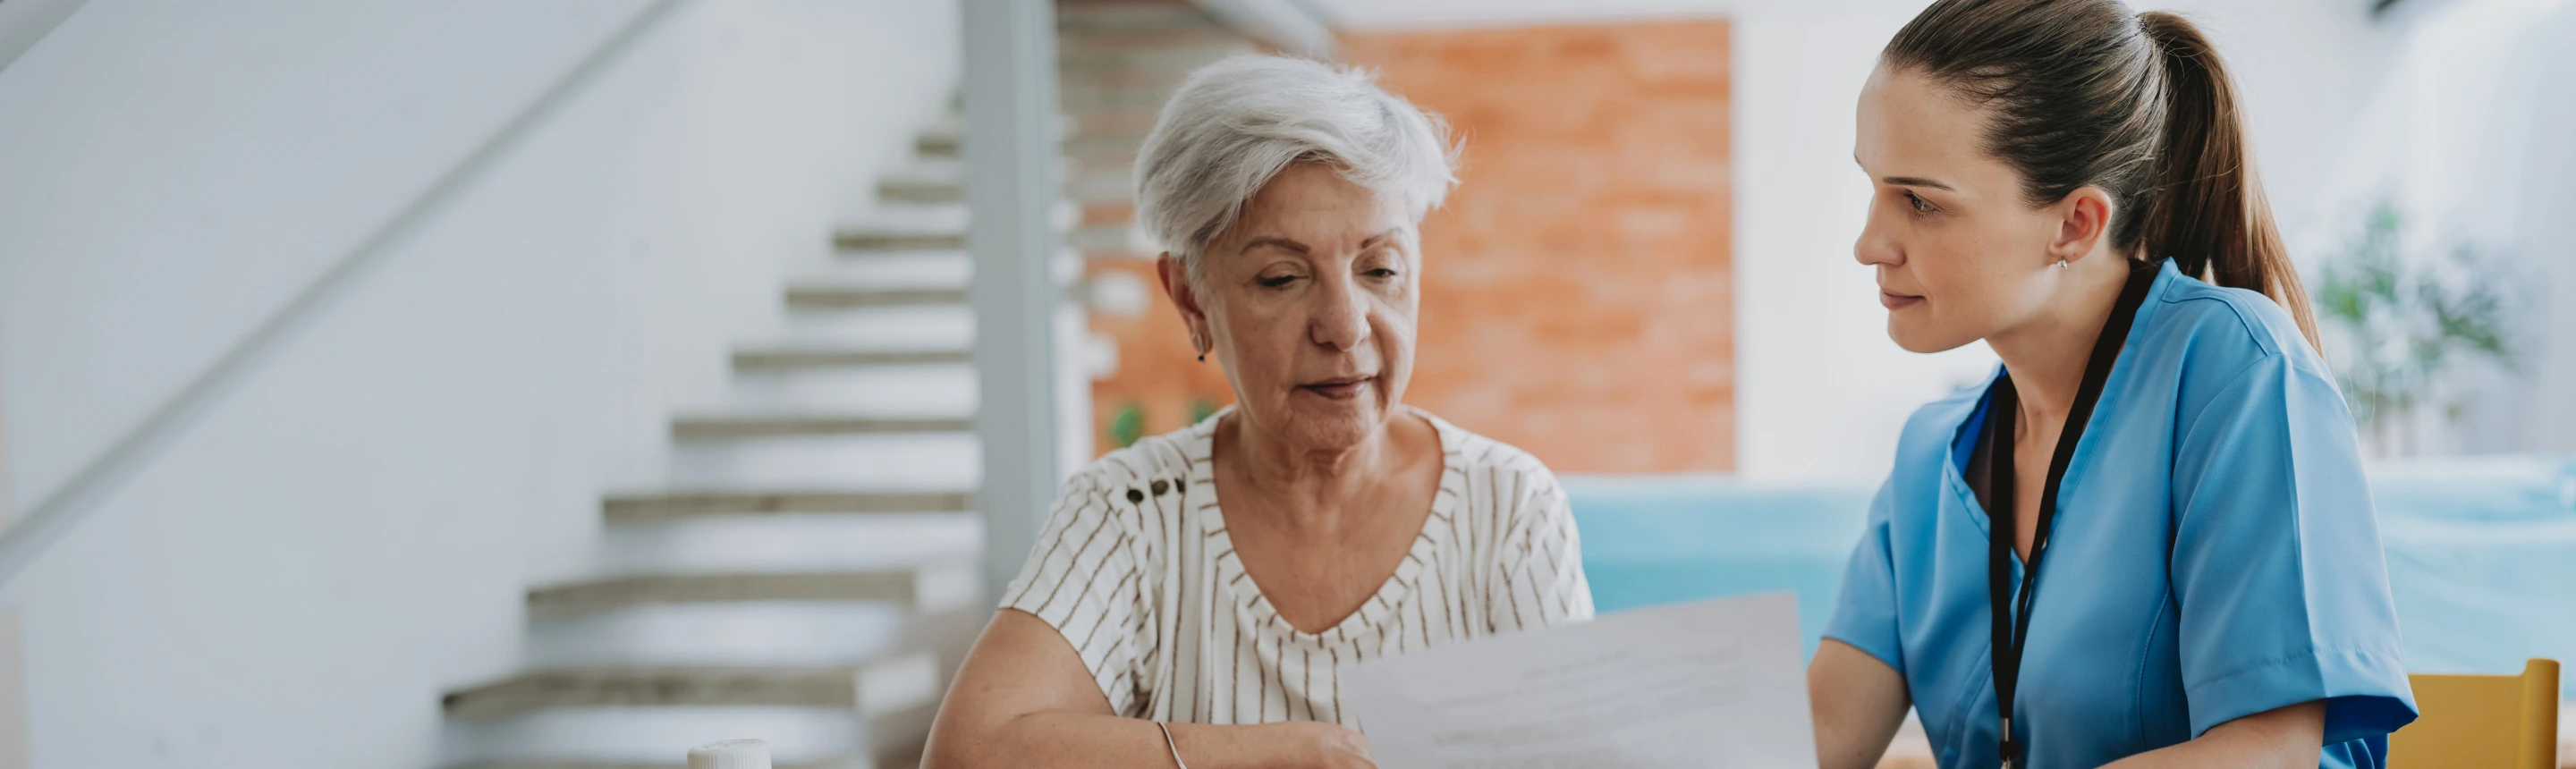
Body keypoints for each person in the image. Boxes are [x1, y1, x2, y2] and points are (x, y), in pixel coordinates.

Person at [920, 55, 1594, 769]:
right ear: (1191, 298)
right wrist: (1275, 755)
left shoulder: (1508, 504)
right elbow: (970, 754)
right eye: (1282, 277)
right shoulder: (1132, 513)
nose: (1345, 325)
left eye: (1381, 270)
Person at [1810, 2, 2419, 768]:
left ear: (2074, 225)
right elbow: (1824, 735)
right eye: (1873, 188)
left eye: (1921, 202)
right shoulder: (1927, 461)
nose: (1870, 243)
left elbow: (2271, 750)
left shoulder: (2239, 371)